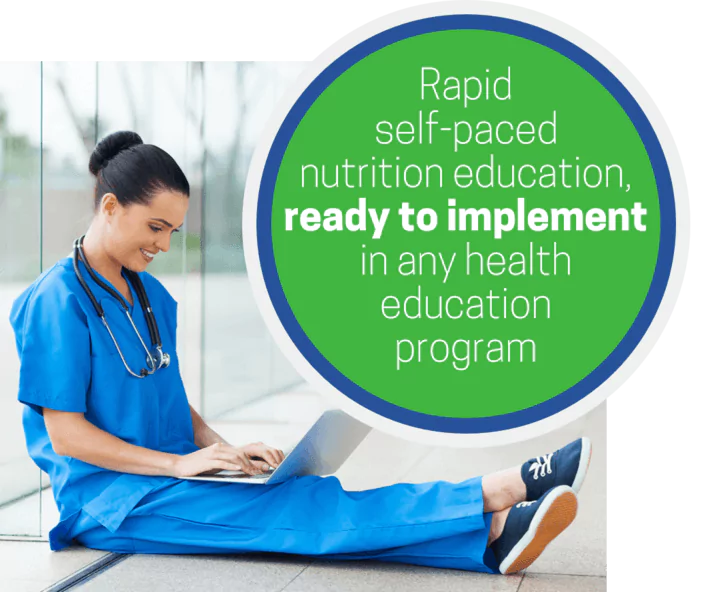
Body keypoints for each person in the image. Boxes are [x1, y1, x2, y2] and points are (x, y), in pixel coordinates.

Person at [9, 131, 593, 576]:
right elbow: (67, 437)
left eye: (173, 232)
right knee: (298, 512)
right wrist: (176, 465)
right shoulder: (54, 301)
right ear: (109, 207)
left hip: (172, 478)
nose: (163, 244)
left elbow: (169, 399)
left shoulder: (150, 295)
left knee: (297, 499)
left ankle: (488, 539)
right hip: (111, 500)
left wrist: (223, 450)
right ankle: (496, 490)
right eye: (155, 227)